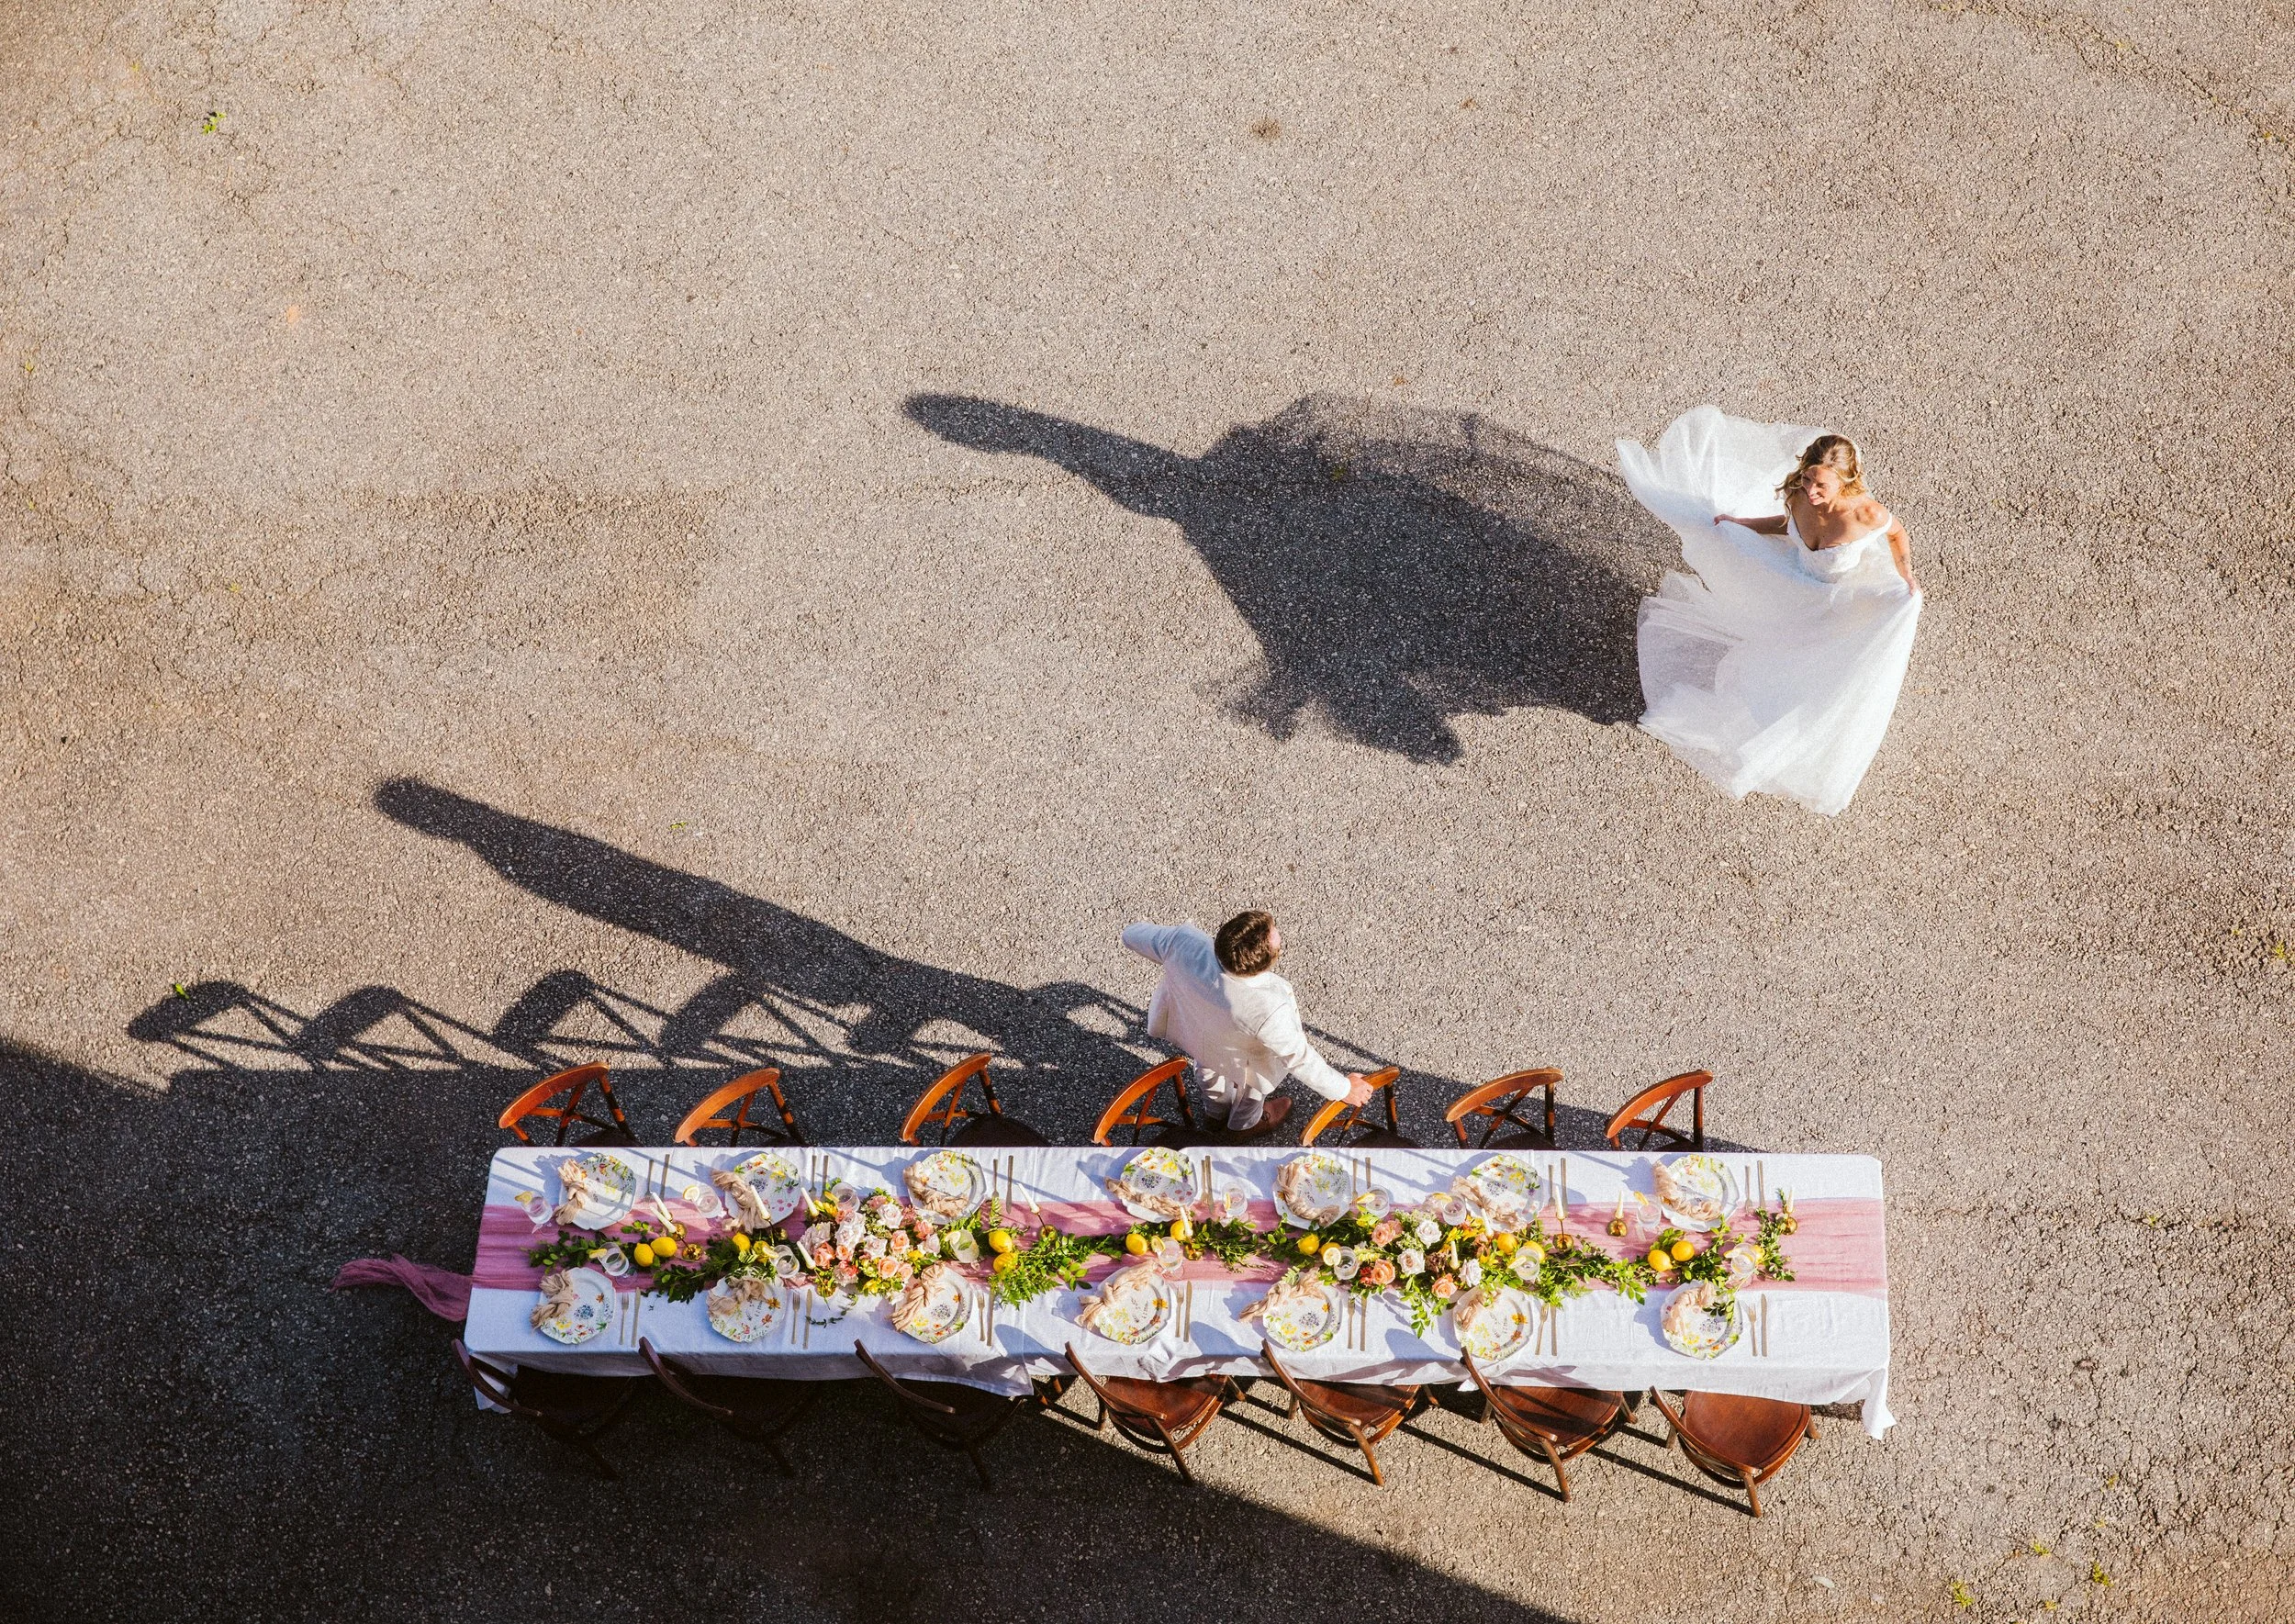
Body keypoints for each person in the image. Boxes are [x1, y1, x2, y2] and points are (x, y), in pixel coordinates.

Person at [1618, 407, 1924, 816]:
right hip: (1795, 586)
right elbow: (1786, 525)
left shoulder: (1866, 513)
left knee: (1818, 668)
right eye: (1809, 479)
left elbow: (1897, 533)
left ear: (1846, 483)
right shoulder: (1799, 494)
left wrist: (1906, 576)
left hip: (1835, 600)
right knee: (1774, 650)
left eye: (1822, 486)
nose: (1812, 491)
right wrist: (1738, 523)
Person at [1119, 911, 1371, 1137]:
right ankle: (1243, 1127)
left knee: (1208, 1073)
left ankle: (1214, 1115)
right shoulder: (1269, 1007)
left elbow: (1131, 935)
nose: (1279, 936)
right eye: (1277, 939)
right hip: (1247, 1061)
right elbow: (1300, 1059)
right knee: (1252, 1091)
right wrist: (1344, 1088)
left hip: (1195, 1037)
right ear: (1265, 963)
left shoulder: (1184, 943)